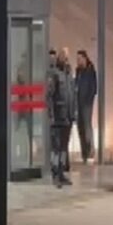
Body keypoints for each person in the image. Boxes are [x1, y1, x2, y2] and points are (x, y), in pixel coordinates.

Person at [46, 48, 75, 187]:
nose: (66, 59)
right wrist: (51, 115)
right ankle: (55, 174)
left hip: (68, 118)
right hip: (58, 117)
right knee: (56, 149)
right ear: (59, 57)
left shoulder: (69, 73)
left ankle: (62, 172)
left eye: (67, 56)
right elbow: (49, 96)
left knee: (64, 148)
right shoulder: (54, 73)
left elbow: (72, 94)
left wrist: (73, 113)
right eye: (64, 56)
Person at [75, 50, 98, 164]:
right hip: (78, 102)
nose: (78, 61)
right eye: (77, 59)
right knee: (80, 127)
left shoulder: (90, 70)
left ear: (85, 58)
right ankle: (84, 153)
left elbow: (94, 87)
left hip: (87, 103)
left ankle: (90, 152)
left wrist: (89, 99)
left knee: (87, 126)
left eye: (80, 59)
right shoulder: (78, 71)